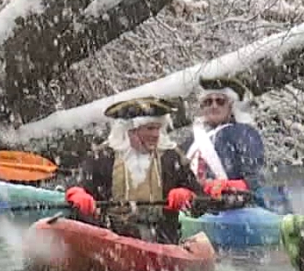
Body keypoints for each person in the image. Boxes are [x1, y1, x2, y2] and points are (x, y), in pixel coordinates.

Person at [64, 97, 204, 244]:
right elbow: (77, 185)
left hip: (163, 241)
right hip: (111, 240)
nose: (156, 135)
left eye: (158, 128)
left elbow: (202, 201)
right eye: (150, 128)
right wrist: (77, 194)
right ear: (130, 131)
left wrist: (189, 196)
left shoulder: (170, 157)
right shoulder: (103, 157)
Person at [180, 76, 266, 197]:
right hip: (198, 205)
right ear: (202, 107)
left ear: (230, 106)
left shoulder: (244, 133)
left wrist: (233, 186)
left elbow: (257, 178)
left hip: (234, 204)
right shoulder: (189, 142)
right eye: (208, 102)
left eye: (220, 101)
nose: (214, 106)